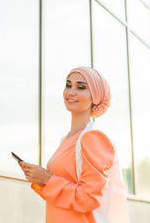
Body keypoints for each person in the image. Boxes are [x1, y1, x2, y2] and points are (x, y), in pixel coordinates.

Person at [19, 66, 129, 223]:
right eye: (68, 85)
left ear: (95, 96)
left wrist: (47, 179)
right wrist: (40, 178)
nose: (71, 91)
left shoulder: (93, 138)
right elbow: (64, 198)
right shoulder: (66, 140)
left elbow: (88, 199)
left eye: (81, 87)